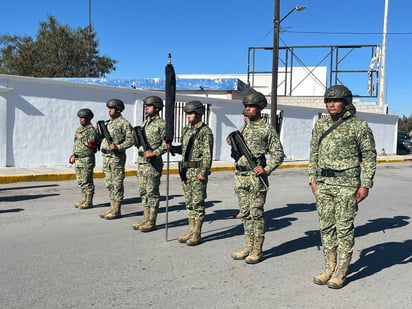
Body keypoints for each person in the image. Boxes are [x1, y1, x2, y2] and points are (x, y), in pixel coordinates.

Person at [309, 85, 377, 289]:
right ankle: (330, 266)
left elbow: (369, 156)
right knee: (326, 226)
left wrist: (366, 184)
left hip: (347, 184)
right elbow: (314, 152)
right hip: (324, 183)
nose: (330, 104)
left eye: (335, 100)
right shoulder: (321, 125)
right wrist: (312, 177)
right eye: (328, 101)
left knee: (344, 228)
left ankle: (341, 270)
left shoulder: (359, 126)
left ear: (346, 103)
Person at [229, 92, 284, 264]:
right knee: (245, 214)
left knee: (256, 214)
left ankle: (257, 250)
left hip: (255, 177)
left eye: (251, 107)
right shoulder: (244, 127)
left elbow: (278, 153)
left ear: (259, 108)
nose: (247, 109)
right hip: (241, 175)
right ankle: (248, 245)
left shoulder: (266, 128)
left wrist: (266, 169)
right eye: (246, 106)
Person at [171, 100, 214, 246]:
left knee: (198, 204)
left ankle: (197, 233)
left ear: (199, 114)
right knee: (189, 203)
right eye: (187, 113)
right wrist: (172, 148)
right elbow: (184, 148)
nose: (188, 116)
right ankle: (190, 230)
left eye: (191, 113)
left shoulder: (205, 131)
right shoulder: (186, 130)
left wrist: (204, 172)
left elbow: (207, 154)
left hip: (197, 171)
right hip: (186, 170)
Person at [132, 96, 166, 232]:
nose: (146, 107)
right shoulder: (145, 123)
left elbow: (166, 144)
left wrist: (155, 153)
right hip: (141, 162)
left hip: (153, 163)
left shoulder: (162, 124)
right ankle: (145, 218)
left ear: (157, 107)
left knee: (152, 192)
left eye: (149, 105)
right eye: (146, 105)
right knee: (143, 192)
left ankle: (152, 221)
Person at [98, 98, 135, 220]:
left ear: (118, 110)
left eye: (112, 108)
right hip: (106, 157)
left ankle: (117, 210)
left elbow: (131, 140)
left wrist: (118, 147)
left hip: (116, 157)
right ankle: (112, 207)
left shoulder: (124, 123)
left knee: (117, 183)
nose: (109, 111)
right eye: (109, 108)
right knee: (109, 183)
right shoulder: (108, 123)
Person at [69, 108, 99, 209]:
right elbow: (76, 144)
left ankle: (89, 201)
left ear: (89, 118)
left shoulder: (91, 130)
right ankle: (84, 198)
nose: (81, 120)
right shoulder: (79, 129)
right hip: (78, 158)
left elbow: (91, 144)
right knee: (80, 181)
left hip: (86, 159)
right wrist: (73, 154)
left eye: (83, 118)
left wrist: (80, 136)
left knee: (87, 180)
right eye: (80, 118)